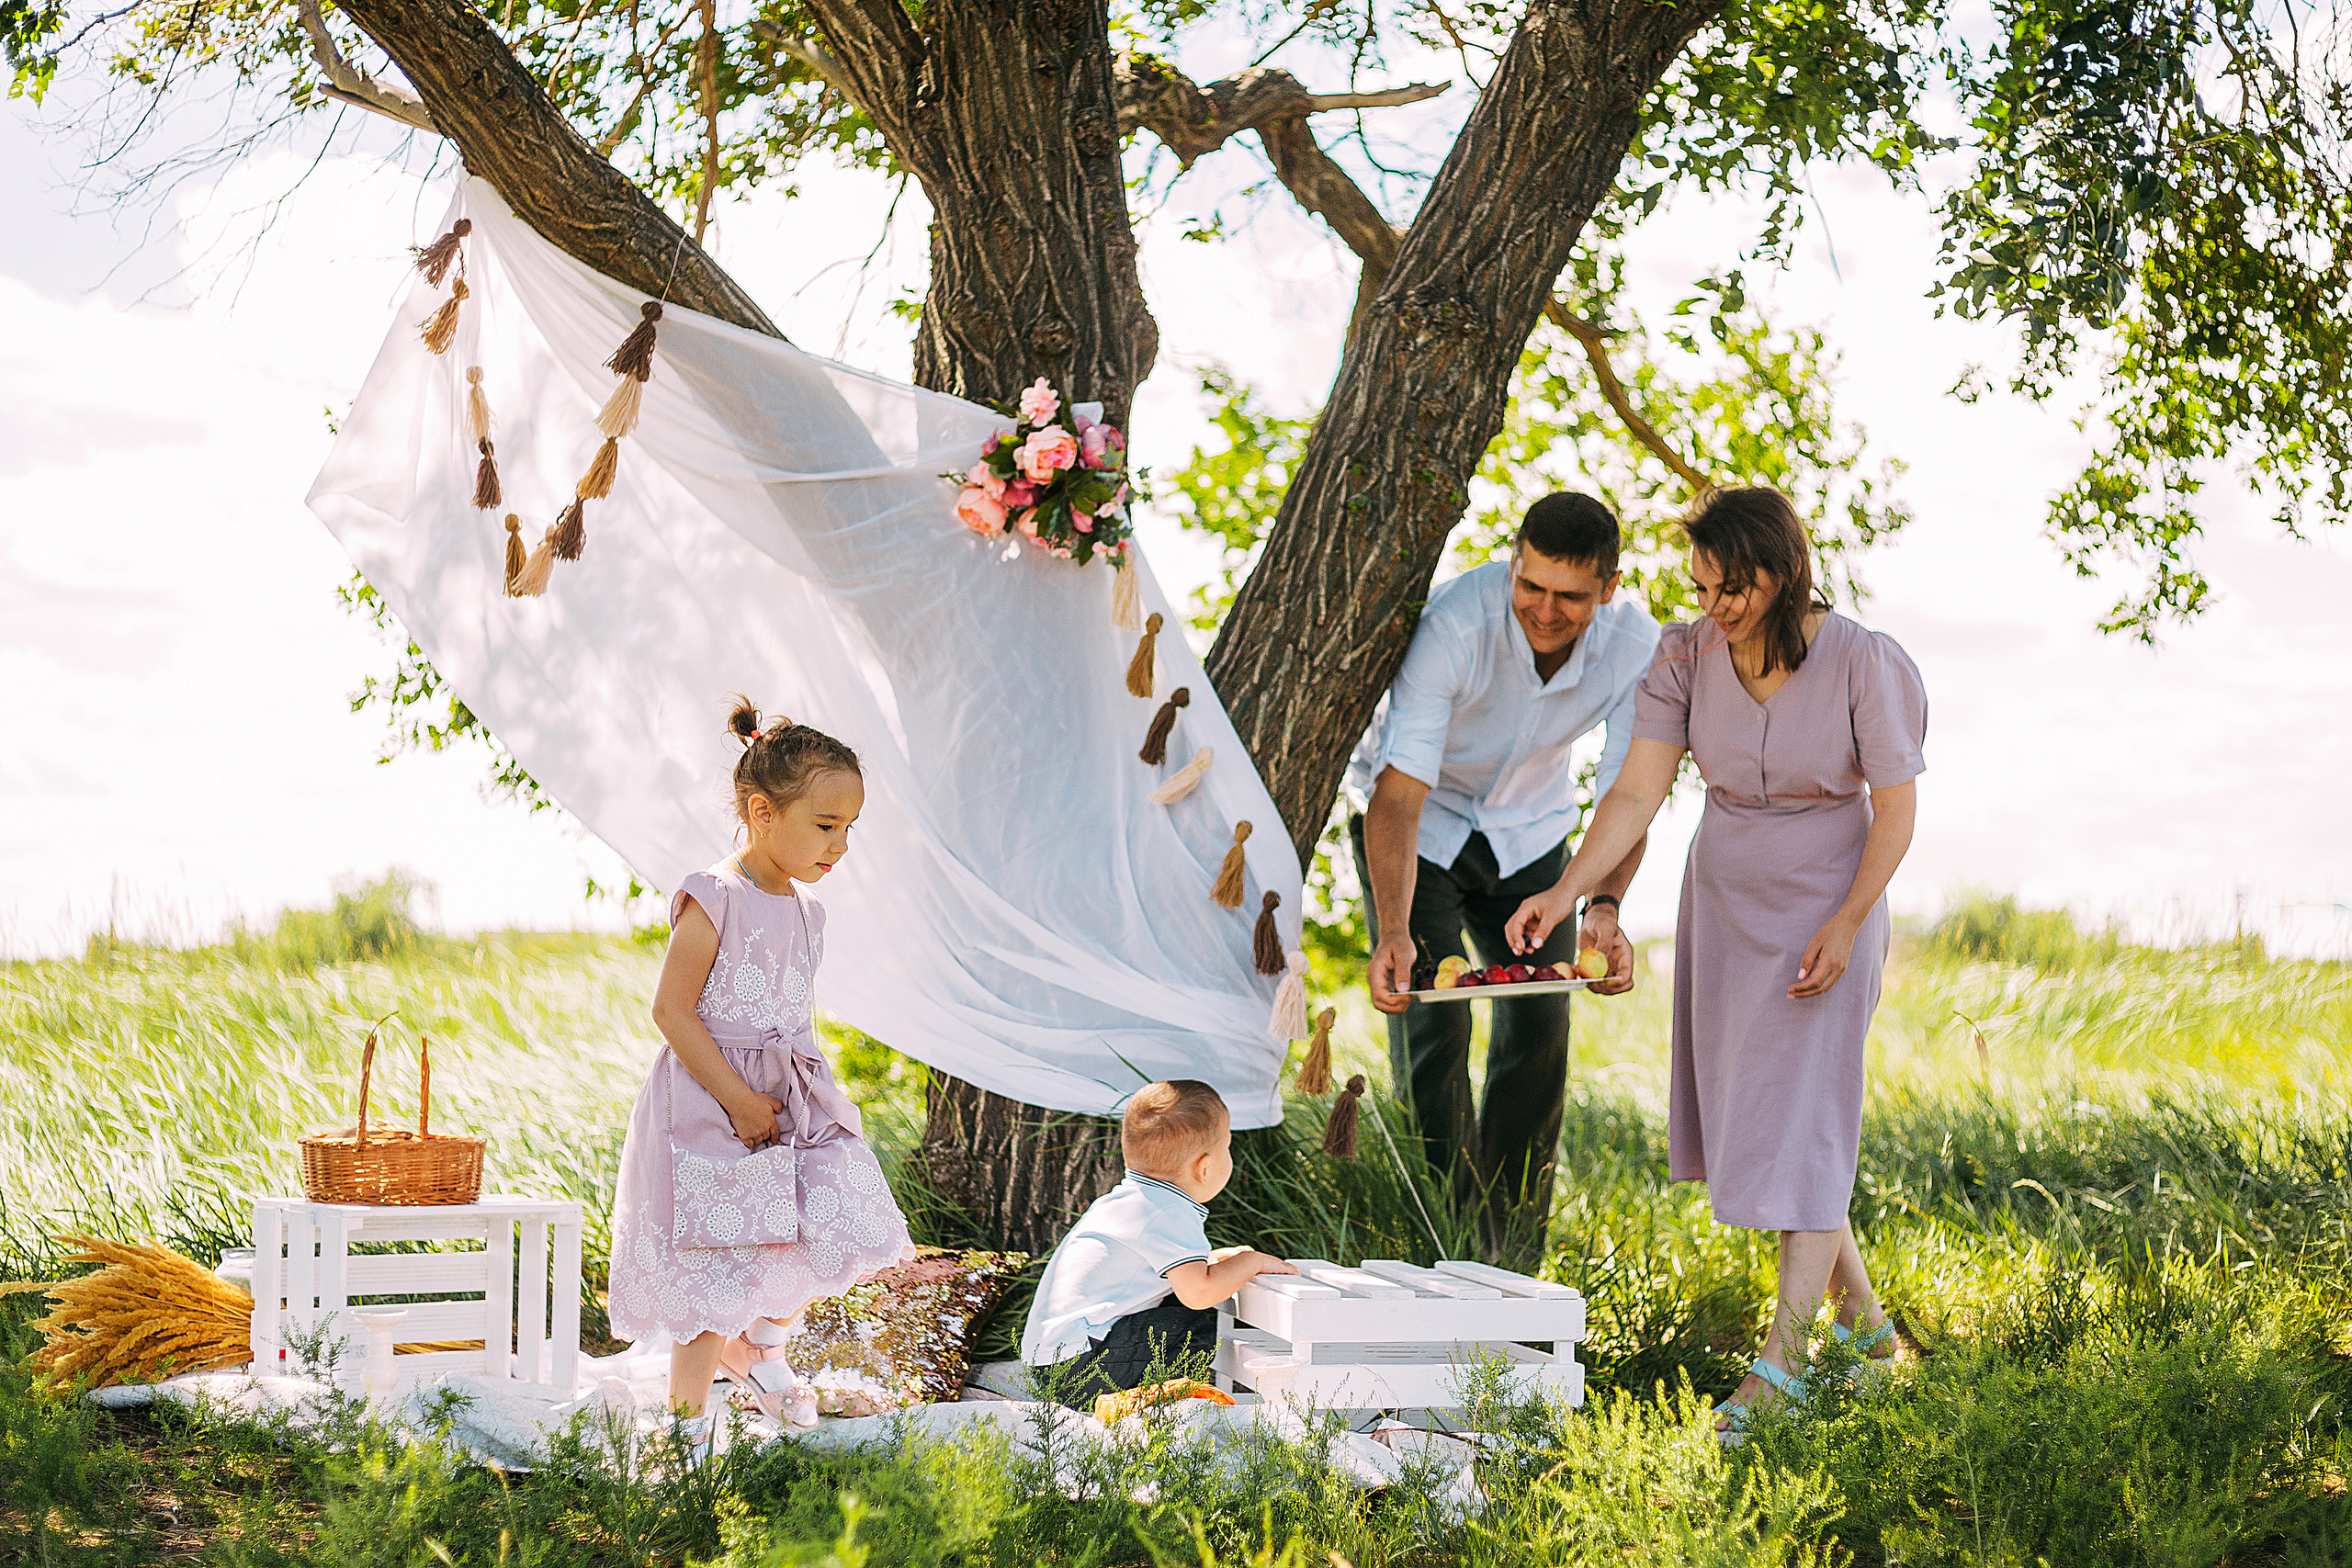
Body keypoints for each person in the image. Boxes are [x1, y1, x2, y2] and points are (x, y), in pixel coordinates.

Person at [1504, 486, 1925, 1440]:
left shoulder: (1862, 659)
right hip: (1726, 905)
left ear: (1783, 571)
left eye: (1734, 587)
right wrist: (1568, 892)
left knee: (1807, 1124)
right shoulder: (1684, 655)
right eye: (1703, 586)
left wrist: (1849, 920)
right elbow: (1635, 793)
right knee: (1778, 1124)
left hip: (1828, 902)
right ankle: (1867, 1337)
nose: (1717, 604)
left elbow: (1895, 811)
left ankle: (1781, 1369)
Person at [607, 696, 915, 1452]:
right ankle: (682, 1436)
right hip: (711, 1102)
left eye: (848, 828)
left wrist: (802, 1095)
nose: (839, 844)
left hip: (788, 1099)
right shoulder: (714, 897)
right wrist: (740, 1097)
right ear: (761, 812)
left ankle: (760, 1342)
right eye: (824, 825)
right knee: (716, 1267)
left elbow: (793, 1018)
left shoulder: (809, 912)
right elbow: (673, 1011)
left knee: (843, 1214)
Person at [1351, 492, 1658, 1239]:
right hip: (1425, 828)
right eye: (1532, 585)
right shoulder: (1457, 624)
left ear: (1609, 590)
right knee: (1435, 1024)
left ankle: (1509, 1242)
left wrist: (1601, 910)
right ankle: (1445, 1237)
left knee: (1542, 1016)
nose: (1545, 610)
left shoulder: (1636, 646)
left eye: (1571, 596)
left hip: (1533, 834)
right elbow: (1398, 795)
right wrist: (1393, 926)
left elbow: (1631, 793)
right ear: (1514, 561)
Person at [1021, 1080, 1297, 1406]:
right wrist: (1252, 1262)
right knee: (1191, 1328)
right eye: (1227, 1148)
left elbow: (1160, 1270)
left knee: (1173, 1309)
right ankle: (1161, 1403)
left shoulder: (1131, 1201)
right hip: (1083, 1365)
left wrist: (1215, 1264)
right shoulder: (1169, 1212)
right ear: (1205, 1167)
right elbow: (1198, 1292)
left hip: (1052, 1360)